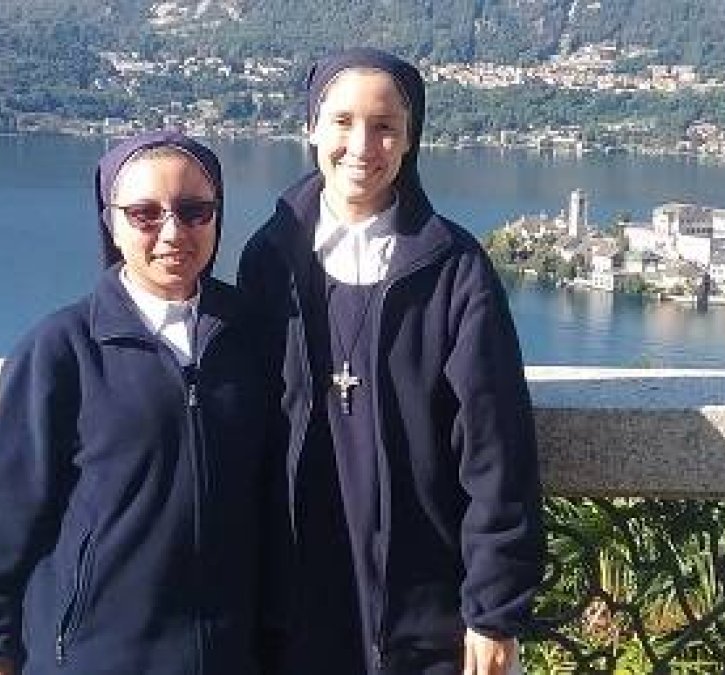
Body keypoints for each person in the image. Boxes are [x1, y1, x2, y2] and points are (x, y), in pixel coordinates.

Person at [238, 48, 545, 675]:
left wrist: (492, 609)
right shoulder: (268, 260)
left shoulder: (455, 270)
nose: (362, 144)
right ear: (311, 128)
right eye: (343, 121)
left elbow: (496, 452)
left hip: (422, 610)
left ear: (410, 140)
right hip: (291, 601)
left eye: (384, 126)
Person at [0, 130, 270, 674]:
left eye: (194, 210)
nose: (172, 232)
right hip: (93, 657)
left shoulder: (253, 335)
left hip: (231, 657)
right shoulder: (63, 349)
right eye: (144, 213)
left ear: (217, 217)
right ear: (110, 222)